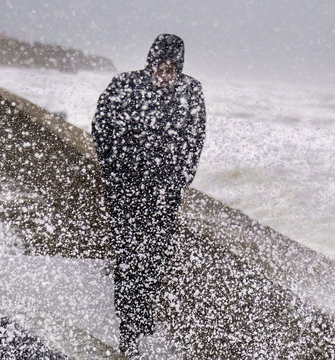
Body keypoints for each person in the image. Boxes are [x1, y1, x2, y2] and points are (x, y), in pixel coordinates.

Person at [92, 33, 206, 356]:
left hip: (163, 196)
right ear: (151, 62)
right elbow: (100, 125)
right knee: (128, 259)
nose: (165, 73)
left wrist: (181, 179)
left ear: (179, 68)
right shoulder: (125, 85)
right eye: (160, 65)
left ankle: (141, 318)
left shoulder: (190, 92)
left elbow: (195, 139)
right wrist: (114, 169)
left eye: (172, 68)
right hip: (125, 192)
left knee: (156, 259)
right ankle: (128, 333)